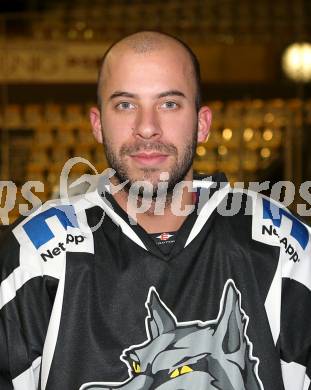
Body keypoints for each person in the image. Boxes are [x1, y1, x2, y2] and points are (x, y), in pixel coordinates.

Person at [0, 31, 311, 390]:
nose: (147, 127)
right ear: (98, 124)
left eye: (169, 104)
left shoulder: (285, 249)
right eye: (125, 105)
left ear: (202, 123)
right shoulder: (35, 256)